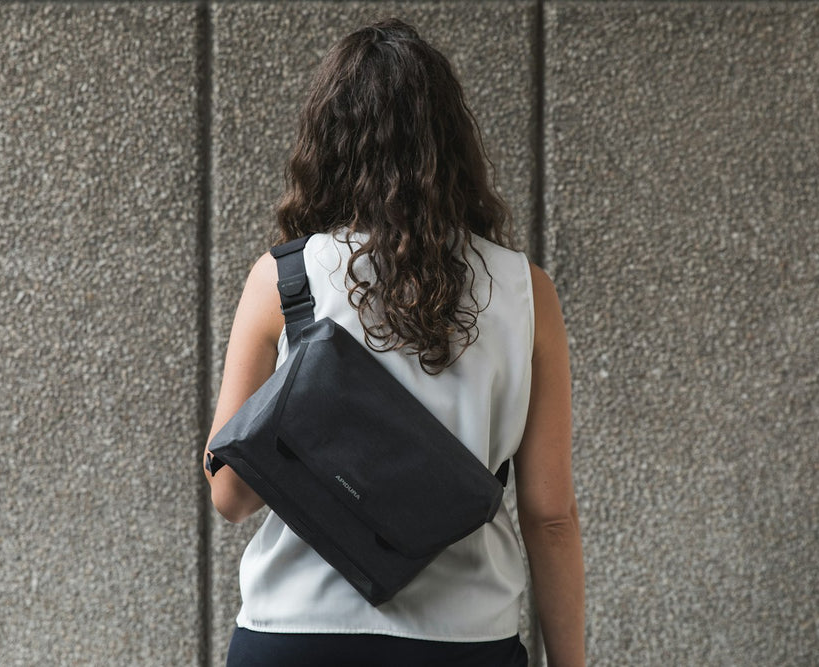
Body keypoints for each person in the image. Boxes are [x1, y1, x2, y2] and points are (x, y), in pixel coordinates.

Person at [202, 18, 584, 667]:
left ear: (327, 143)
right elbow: (549, 516)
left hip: (293, 634)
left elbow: (231, 496)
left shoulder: (285, 280)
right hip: (465, 641)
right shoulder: (526, 291)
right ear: (452, 145)